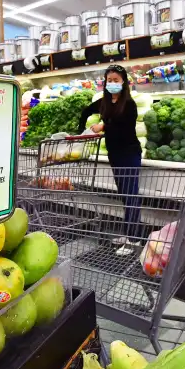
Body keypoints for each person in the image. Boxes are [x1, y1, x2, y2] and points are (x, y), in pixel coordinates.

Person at [79, 65, 142, 256]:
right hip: (114, 154)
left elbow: (124, 129)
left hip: (129, 153)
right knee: (124, 194)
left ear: (124, 82)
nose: (112, 84)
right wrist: (81, 130)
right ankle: (129, 233)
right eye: (109, 80)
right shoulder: (103, 102)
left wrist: (102, 126)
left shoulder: (129, 104)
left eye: (116, 80)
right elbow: (85, 111)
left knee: (131, 195)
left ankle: (134, 239)